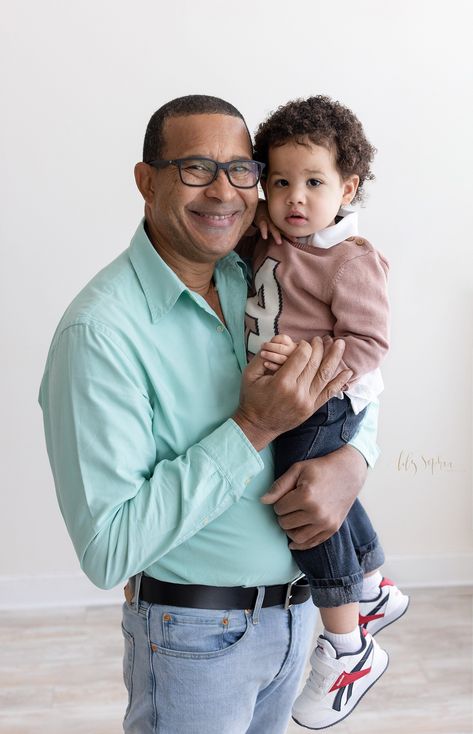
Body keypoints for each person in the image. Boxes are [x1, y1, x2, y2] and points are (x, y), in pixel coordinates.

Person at [39, 95, 380, 734]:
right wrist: (254, 426)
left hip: (299, 618)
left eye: (242, 169)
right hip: (192, 636)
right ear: (146, 181)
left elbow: (357, 365)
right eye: (196, 168)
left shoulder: (261, 268)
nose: (224, 191)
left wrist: (354, 460)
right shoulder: (100, 332)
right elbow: (107, 550)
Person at [240, 95, 409, 729]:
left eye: (314, 182)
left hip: (320, 398)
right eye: (280, 182)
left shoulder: (349, 258)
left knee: (302, 504)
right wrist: (258, 217)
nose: (295, 197)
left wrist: (306, 360)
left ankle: (348, 646)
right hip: (291, 395)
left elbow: (370, 344)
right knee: (316, 499)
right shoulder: (277, 238)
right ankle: (370, 588)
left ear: (348, 188)